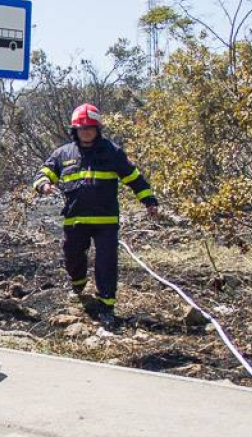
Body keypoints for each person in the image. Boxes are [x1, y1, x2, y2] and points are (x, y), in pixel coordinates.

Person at [33, 103, 158, 324]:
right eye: (81, 128)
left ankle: (106, 306)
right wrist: (43, 185)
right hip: (75, 219)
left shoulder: (112, 152)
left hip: (106, 221)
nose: (86, 132)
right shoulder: (63, 153)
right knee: (72, 255)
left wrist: (148, 200)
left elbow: (133, 177)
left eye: (90, 127)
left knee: (106, 263)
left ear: (98, 129)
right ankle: (78, 284)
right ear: (75, 130)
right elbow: (44, 172)